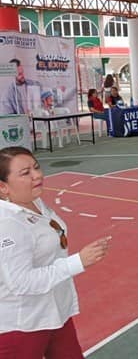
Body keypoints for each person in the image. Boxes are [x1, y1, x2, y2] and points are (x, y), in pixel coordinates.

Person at [0, 147, 110, 358]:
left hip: (54, 313)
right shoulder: (7, 224)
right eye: (25, 173)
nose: (37, 175)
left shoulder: (34, 202)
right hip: (23, 325)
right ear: (3, 187)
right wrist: (78, 262)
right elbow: (21, 282)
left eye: (36, 167)